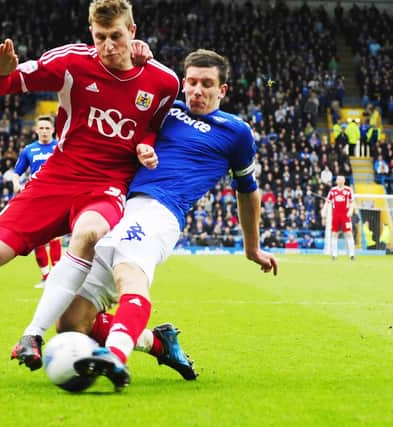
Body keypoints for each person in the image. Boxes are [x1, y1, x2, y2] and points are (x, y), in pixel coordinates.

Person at [0, 0, 179, 377]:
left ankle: (32, 335)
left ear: (133, 33)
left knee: (89, 233)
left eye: (116, 36)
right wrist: (1, 73)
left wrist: (144, 144)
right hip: (57, 178)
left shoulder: (164, 82)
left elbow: (152, 125)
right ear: (91, 34)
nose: (108, 46)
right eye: (100, 37)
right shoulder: (72, 62)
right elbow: (9, 83)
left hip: (107, 185)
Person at [54, 49, 278, 391]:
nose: (197, 91)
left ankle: (115, 355)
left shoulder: (236, 132)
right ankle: (160, 345)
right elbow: (122, 78)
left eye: (207, 84)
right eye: (191, 82)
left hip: (161, 212)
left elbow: (247, 190)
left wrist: (253, 248)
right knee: (70, 323)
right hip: (115, 206)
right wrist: (138, 52)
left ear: (223, 90)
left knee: (129, 273)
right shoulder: (164, 108)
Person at [10, 115, 62, 286]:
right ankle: (46, 276)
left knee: (55, 237)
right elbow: (16, 172)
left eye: (48, 128)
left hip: (56, 196)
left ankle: (56, 276)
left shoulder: (60, 147)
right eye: (42, 128)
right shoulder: (29, 150)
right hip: (36, 198)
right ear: (36, 130)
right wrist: (16, 183)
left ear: (53, 130)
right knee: (38, 239)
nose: (45, 131)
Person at [322, 175, 356, 260]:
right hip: (336, 215)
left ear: (344, 181)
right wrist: (324, 210)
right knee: (334, 234)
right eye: (338, 179)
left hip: (345, 215)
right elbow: (327, 201)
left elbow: (352, 202)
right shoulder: (333, 190)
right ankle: (334, 254)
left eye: (341, 179)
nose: (339, 181)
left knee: (348, 233)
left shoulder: (348, 190)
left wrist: (351, 210)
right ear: (336, 181)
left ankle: (352, 254)